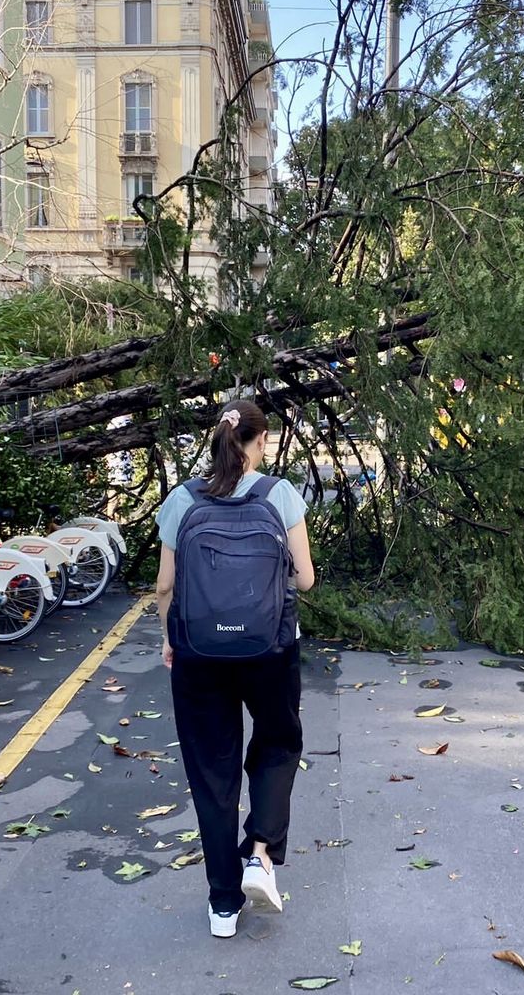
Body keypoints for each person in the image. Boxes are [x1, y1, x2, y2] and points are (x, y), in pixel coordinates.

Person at [154, 399, 316, 939]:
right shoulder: (280, 494)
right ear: (261, 440)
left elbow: (164, 587)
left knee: (211, 773)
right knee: (277, 745)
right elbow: (307, 581)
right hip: (270, 650)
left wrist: (169, 638)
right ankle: (261, 853)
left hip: (198, 655)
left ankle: (223, 904)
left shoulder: (182, 498)